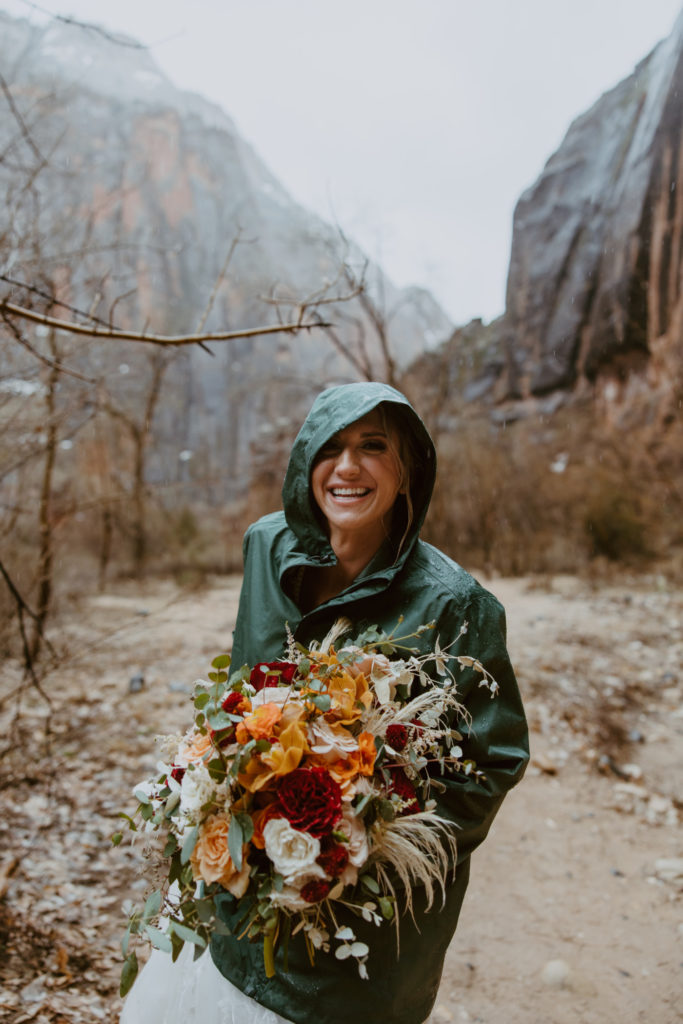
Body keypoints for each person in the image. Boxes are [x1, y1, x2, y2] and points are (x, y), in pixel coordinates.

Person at [120, 381, 528, 1024]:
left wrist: (363, 840)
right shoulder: (266, 547)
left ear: (405, 470)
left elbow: (492, 763)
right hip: (241, 870)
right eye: (331, 446)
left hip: (354, 907)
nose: (347, 466)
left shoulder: (454, 605)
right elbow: (238, 695)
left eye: (373, 447)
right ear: (306, 458)